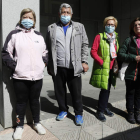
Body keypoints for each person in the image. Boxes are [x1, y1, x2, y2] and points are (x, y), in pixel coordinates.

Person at [2, 8, 48, 139]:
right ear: (21, 19)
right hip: (20, 77)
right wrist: (15, 67)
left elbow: (45, 52)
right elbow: (6, 53)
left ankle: (37, 123)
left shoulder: (39, 36)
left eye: (30, 18)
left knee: (35, 101)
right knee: (20, 103)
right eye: (25, 17)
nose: (28, 19)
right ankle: (19, 126)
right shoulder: (14, 34)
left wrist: (43, 63)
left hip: (37, 77)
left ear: (34, 21)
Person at [46, 3, 89, 126]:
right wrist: (49, 64)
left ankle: (78, 113)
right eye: (63, 12)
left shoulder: (79, 27)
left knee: (76, 92)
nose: (65, 15)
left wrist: (84, 61)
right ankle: (63, 110)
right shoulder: (51, 28)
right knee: (59, 91)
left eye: (67, 13)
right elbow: (48, 47)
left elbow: (84, 44)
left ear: (71, 14)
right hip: (57, 66)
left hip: (74, 67)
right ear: (59, 14)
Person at [89, 16, 119, 122]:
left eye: (112, 25)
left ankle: (104, 107)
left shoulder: (115, 37)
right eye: (108, 24)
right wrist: (101, 62)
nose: (110, 26)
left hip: (112, 68)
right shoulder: (99, 36)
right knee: (104, 90)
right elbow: (93, 51)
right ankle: (100, 111)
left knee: (108, 89)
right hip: (104, 67)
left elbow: (116, 52)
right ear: (104, 25)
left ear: (115, 26)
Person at [118, 17, 140, 124]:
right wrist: (134, 57)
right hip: (131, 73)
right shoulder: (129, 40)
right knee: (131, 93)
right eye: (135, 25)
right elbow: (120, 54)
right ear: (132, 28)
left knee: (139, 94)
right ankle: (130, 112)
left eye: (139, 24)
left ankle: (137, 112)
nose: (137, 26)